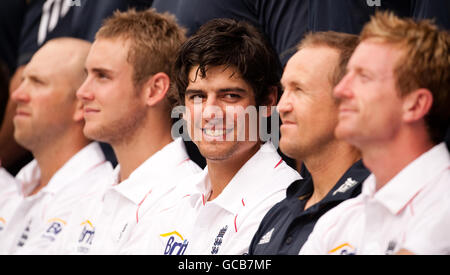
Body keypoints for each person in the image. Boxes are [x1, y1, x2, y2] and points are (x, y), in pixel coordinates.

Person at [122, 18, 301, 255]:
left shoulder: (282, 201)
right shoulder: (174, 197)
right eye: (197, 97)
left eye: (230, 96)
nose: (210, 113)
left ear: (268, 101)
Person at [300, 12, 450, 255]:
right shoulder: (337, 221)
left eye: (364, 77)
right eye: (347, 74)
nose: (340, 90)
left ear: (414, 105)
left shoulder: (443, 205)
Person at [55, 8, 201, 254]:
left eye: (102, 76)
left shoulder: (193, 202)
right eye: (86, 75)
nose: (82, 92)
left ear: (154, 89)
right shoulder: (88, 198)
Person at [249, 31, 371, 255]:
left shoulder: (378, 206)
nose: (281, 107)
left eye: (299, 90)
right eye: (285, 90)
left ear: (349, 101)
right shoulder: (278, 212)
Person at [0, 37, 114, 254]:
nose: (17, 95)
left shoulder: (98, 198)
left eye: (37, 82)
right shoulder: (18, 184)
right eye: (23, 80)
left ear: (81, 104)